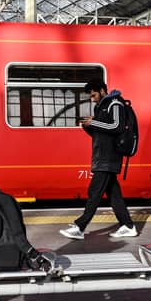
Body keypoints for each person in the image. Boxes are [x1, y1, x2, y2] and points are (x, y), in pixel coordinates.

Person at [60, 78, 137, 240]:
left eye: (93, 94)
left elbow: (117, 126)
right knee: (114, 195)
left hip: (109, 157)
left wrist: (93, 122)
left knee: (94, 192)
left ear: (102, 90)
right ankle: (128, 226)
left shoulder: (115, 104)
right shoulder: (101, 107)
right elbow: (100, 133)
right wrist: (88, 126)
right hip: (102, 157)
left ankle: (79, 227)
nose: (92, 98)